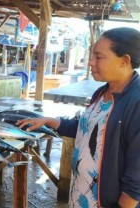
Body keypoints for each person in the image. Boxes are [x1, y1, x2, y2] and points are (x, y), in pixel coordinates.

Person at [17, 27, 140, 207]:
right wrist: (49, 121)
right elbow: (88, 129)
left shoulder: (136, 103)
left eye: (99, 57)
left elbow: (136, 179)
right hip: (80, 194)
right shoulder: (101, 92)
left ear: (124, 60)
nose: (90, 62)